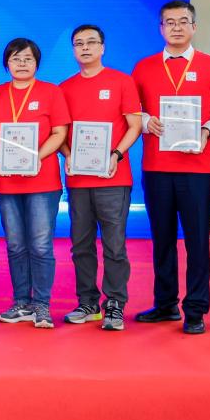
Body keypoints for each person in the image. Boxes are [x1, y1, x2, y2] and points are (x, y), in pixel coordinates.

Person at [131, 0, 210, 334]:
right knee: (162, 239)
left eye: (182, 21)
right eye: (169, 22)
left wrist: (206, 130)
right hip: (157, 167)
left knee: (197, 241)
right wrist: (146, 122)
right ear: (161, 28)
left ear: (194, 27)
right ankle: (165, 304)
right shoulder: (144, 67)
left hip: (198, 168)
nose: (176, 27)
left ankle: (195, 310)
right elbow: (132, 111)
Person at [0, 38, 69, 329]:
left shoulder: (51, 92)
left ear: (36, 63)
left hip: (42, 181)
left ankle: (42, 304)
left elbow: (59, 133)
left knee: (41, 245)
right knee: (16, 244)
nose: (22, 64)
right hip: (7, 182)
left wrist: (35, 158)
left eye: (28, 59)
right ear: (7, 63)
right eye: (16, 59)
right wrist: (1, 155)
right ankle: (21, 302)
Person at [58, 25, 142, 331]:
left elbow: (134, 125)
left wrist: (116, 154)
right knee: (80, 244)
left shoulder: (121, 81)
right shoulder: (64, 88)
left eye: (91, 42)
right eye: (79, 43)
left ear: (102, 47)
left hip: (112, 177)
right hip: (79, 180)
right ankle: (88, 302)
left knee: (114, 245)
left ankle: (115, 303)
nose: (85, 48)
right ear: (73, 49)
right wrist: (68, 154)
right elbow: (60, 133)